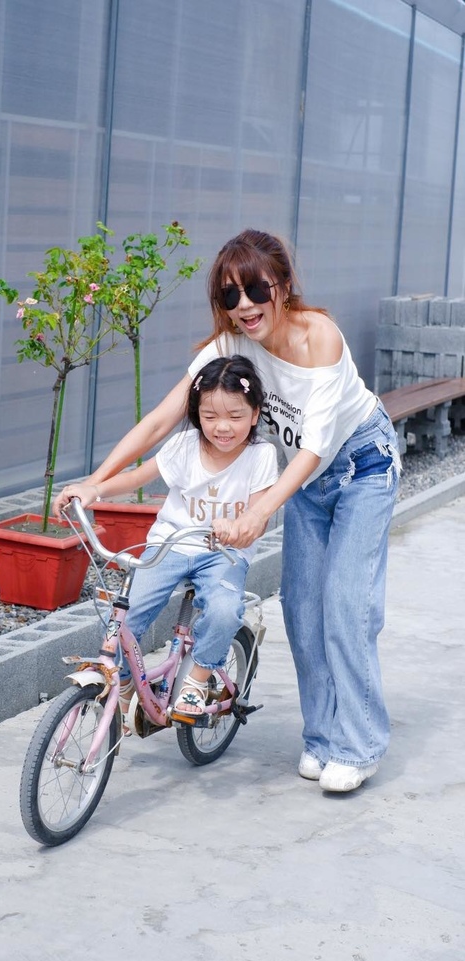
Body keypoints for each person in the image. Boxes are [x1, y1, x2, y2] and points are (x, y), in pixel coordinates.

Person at [56, 228, 401, 793]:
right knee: (301, 608)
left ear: (283, 286)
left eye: (255, 291)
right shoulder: (231, 345)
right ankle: (321, 741)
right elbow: (160, 422)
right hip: (304, 482)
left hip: (360, 468)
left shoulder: (321, 339)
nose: (244, 307)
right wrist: (94, 483)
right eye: (229, 296)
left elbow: (313, 447)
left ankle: (358, 745)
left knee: (347, 607)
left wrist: (258, 510)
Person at [60, 355, 277, 721]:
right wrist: (93, 489)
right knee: (124, 618)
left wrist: (237, 526)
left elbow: (258, 512)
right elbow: (134, 478)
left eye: (235, 417)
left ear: (255, 414)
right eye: (210, 417)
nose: (222, 427)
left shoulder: (260, 456)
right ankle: (125, 683)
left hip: (222, 553)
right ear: (196, 414)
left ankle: (199, 675)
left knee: (225, 611)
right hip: (169, 546)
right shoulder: (185, 446)